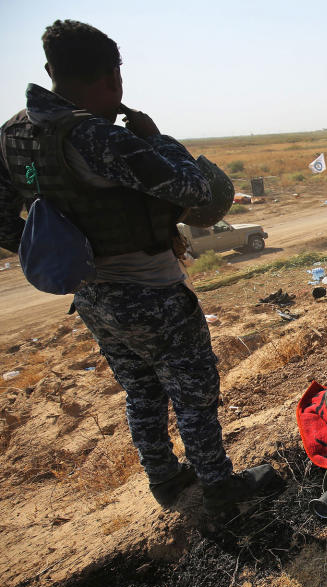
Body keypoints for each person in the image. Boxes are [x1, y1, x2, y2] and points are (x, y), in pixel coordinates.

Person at [0, 20, 279, 519]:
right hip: (150, 291)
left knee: (142, 389)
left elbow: (5, 213)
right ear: (112, 78)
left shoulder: (16, 136)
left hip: (91, 296)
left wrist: (63, 250)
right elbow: (197, 194)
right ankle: (219, 489)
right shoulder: (101, 138)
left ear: (50, 71)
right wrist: (159, 140)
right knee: (193, 393)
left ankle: (165, 479)